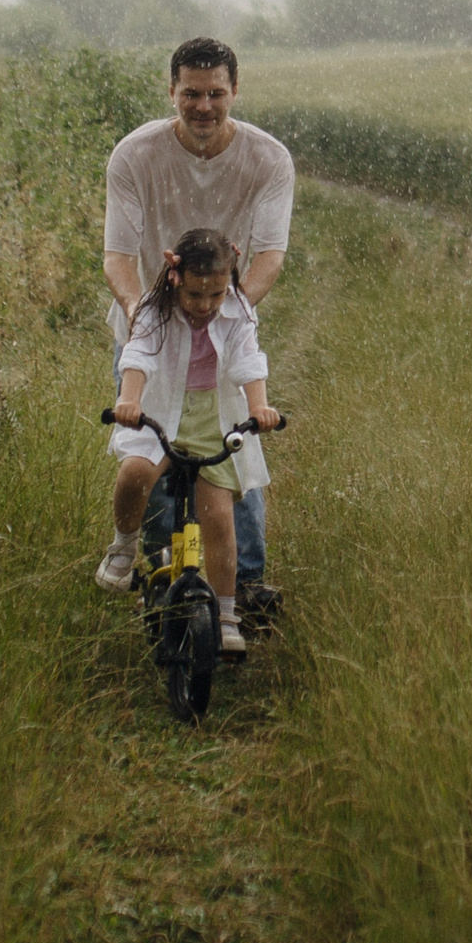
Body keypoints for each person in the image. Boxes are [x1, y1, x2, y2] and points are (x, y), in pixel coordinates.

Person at [102, 36, 294, 616]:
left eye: (215, 94)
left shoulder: (267, 159)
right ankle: (161, 576)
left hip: (223, 323)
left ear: (235, 91)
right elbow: (117, 256)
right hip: (150, 329)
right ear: (172, 92)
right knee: (153, 458)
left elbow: (268, 257)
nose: (203, 106)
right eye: (191, 94)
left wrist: (225, 314)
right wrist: (146, 315)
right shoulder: (135, 155)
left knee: (232, 458)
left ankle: (245, 586)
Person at [97, 229, 283, 654]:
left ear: (228, 284)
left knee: (218, 516)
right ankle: (123, 546)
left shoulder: (235, 310)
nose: (205, 307)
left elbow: (247, 360)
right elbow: (138, 354)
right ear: (176, 280)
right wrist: (129, 399)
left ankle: (225, 612)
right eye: (196, 296)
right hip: (161, 406)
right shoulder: (152, 309)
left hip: (210, 413)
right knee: (135, 472)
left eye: (215, 295)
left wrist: (259, 408)